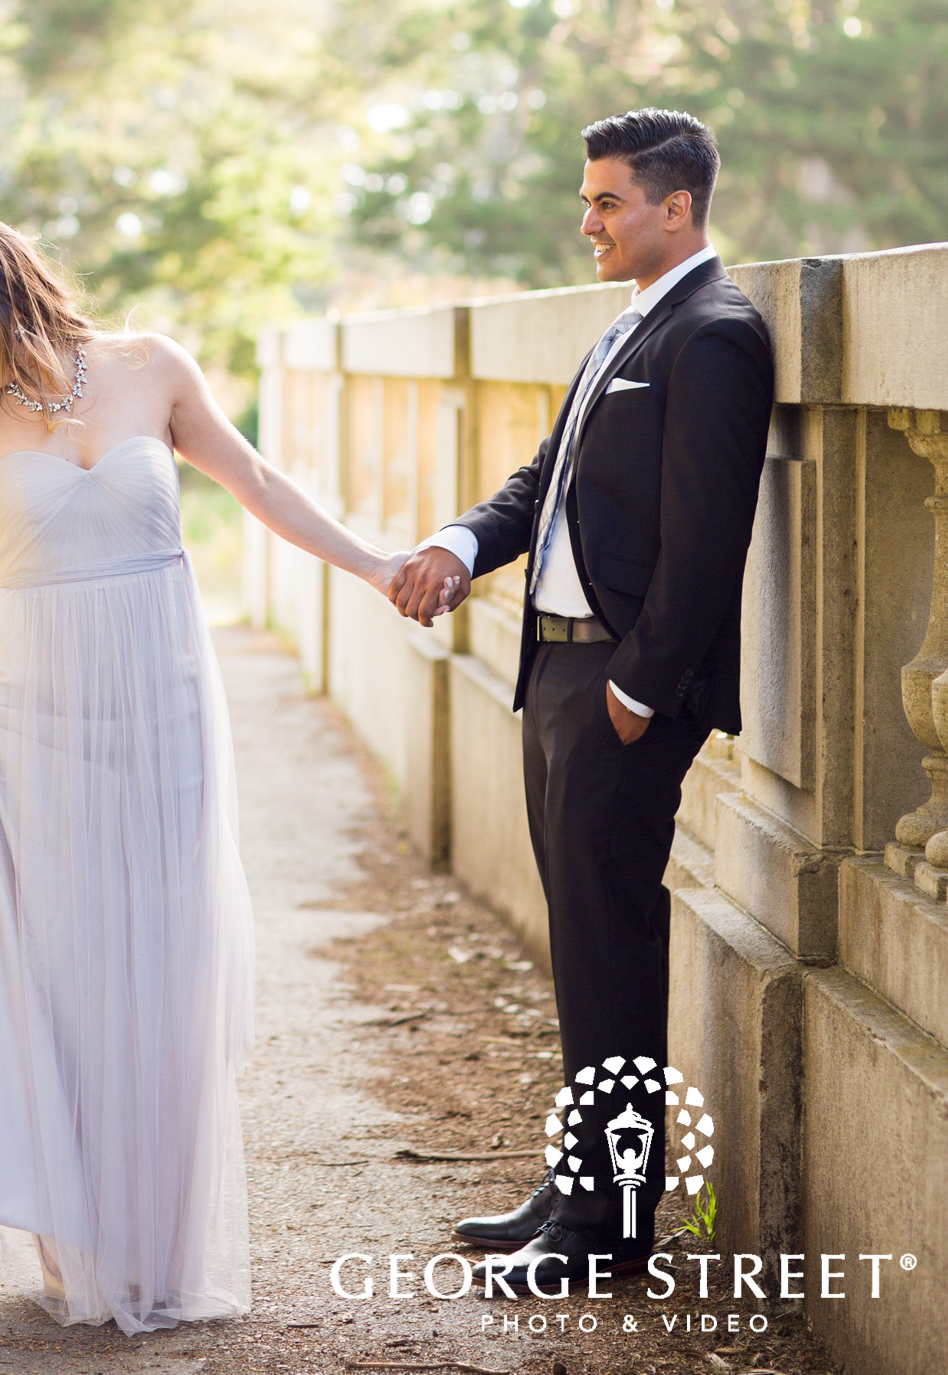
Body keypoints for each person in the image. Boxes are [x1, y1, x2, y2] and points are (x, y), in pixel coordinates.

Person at [0, 215, 407, 1336]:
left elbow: (254, 481)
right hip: (35, 716)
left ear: (5, 293)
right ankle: (77, 1244)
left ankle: (152, 1246)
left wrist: (376, 564)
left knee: (165, 957)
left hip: (161, 706)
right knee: (56, 969)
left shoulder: (152, 369)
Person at [387, 109, 773, 1294]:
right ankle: (577, 1180)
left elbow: (707, 545)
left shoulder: (715, 335)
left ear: (678, 208)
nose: (589, 219)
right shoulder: (631, 324)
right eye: (590, 198)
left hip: (615, 689)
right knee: (584, 945)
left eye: (609, 201)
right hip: (552, 671)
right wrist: (461, 542)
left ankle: (609, 1227)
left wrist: (637, 692)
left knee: (611, 945)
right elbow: (541, 482)